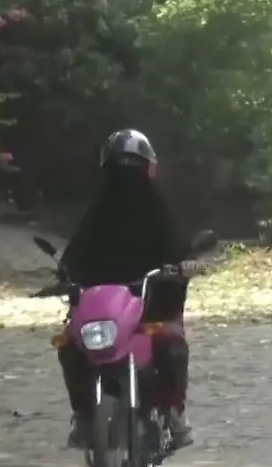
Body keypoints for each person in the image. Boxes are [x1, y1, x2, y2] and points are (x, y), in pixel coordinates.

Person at [56, 128, 194, 450]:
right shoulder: (96, 213)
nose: (125, 178)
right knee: (70, 346)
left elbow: (179, 250)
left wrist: (183, 266)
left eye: (132, 168)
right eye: (119, 169)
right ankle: (84, 415)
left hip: (153, 302)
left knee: (171, 346)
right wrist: (65, 274)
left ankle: (173, 411)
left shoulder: (160, 211)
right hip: (102, 305)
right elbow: (74, 255)